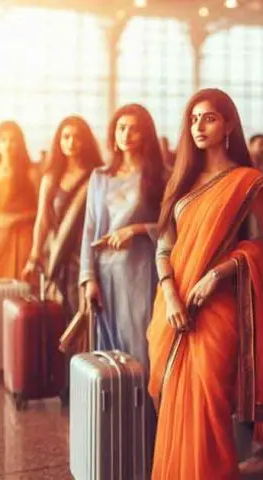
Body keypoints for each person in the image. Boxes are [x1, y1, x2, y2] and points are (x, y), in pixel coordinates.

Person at [147, 88, 263, 479]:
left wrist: (215, 274)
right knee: (172, 400)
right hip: (173, 309)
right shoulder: (182, 182)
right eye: (193, 119)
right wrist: (170, 293)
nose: (199, 126)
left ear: (229, 125)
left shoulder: (248, 183)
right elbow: (164, 247)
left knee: (210, 404)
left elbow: (262, 248)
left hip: (217, 309)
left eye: (209, 118)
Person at [80, 104, 165, 366]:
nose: (126, 134)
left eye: (134, 129)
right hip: (105, 271)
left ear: (146, 135)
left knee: (140, 343)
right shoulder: (100, 177)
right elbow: (89, 228)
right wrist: (88, 278)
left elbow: (173, 226)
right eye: (121, 128)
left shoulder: (160, 177)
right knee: (108, 351)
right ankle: (115, 394)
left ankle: (143, 394)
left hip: (140, 270)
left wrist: (137, 229)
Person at [24, 116, 103, 316]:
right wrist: (34, 257)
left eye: (77, 137)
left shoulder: (97, 176)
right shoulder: (51, 178)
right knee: (57, 313)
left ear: (86, 141)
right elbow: (42, 219)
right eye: (66, 137)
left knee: (85, 314)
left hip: (86, 255)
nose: (71, 142)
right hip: (57, 254)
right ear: (58, 141)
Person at [0, 121, 37, 281]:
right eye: (3, 140)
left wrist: (16, 219)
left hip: (24, 236)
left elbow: (41, 211)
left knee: (24, 285)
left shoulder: (31, 174)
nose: (8, 145)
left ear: (20, 144)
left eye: (13, 140)